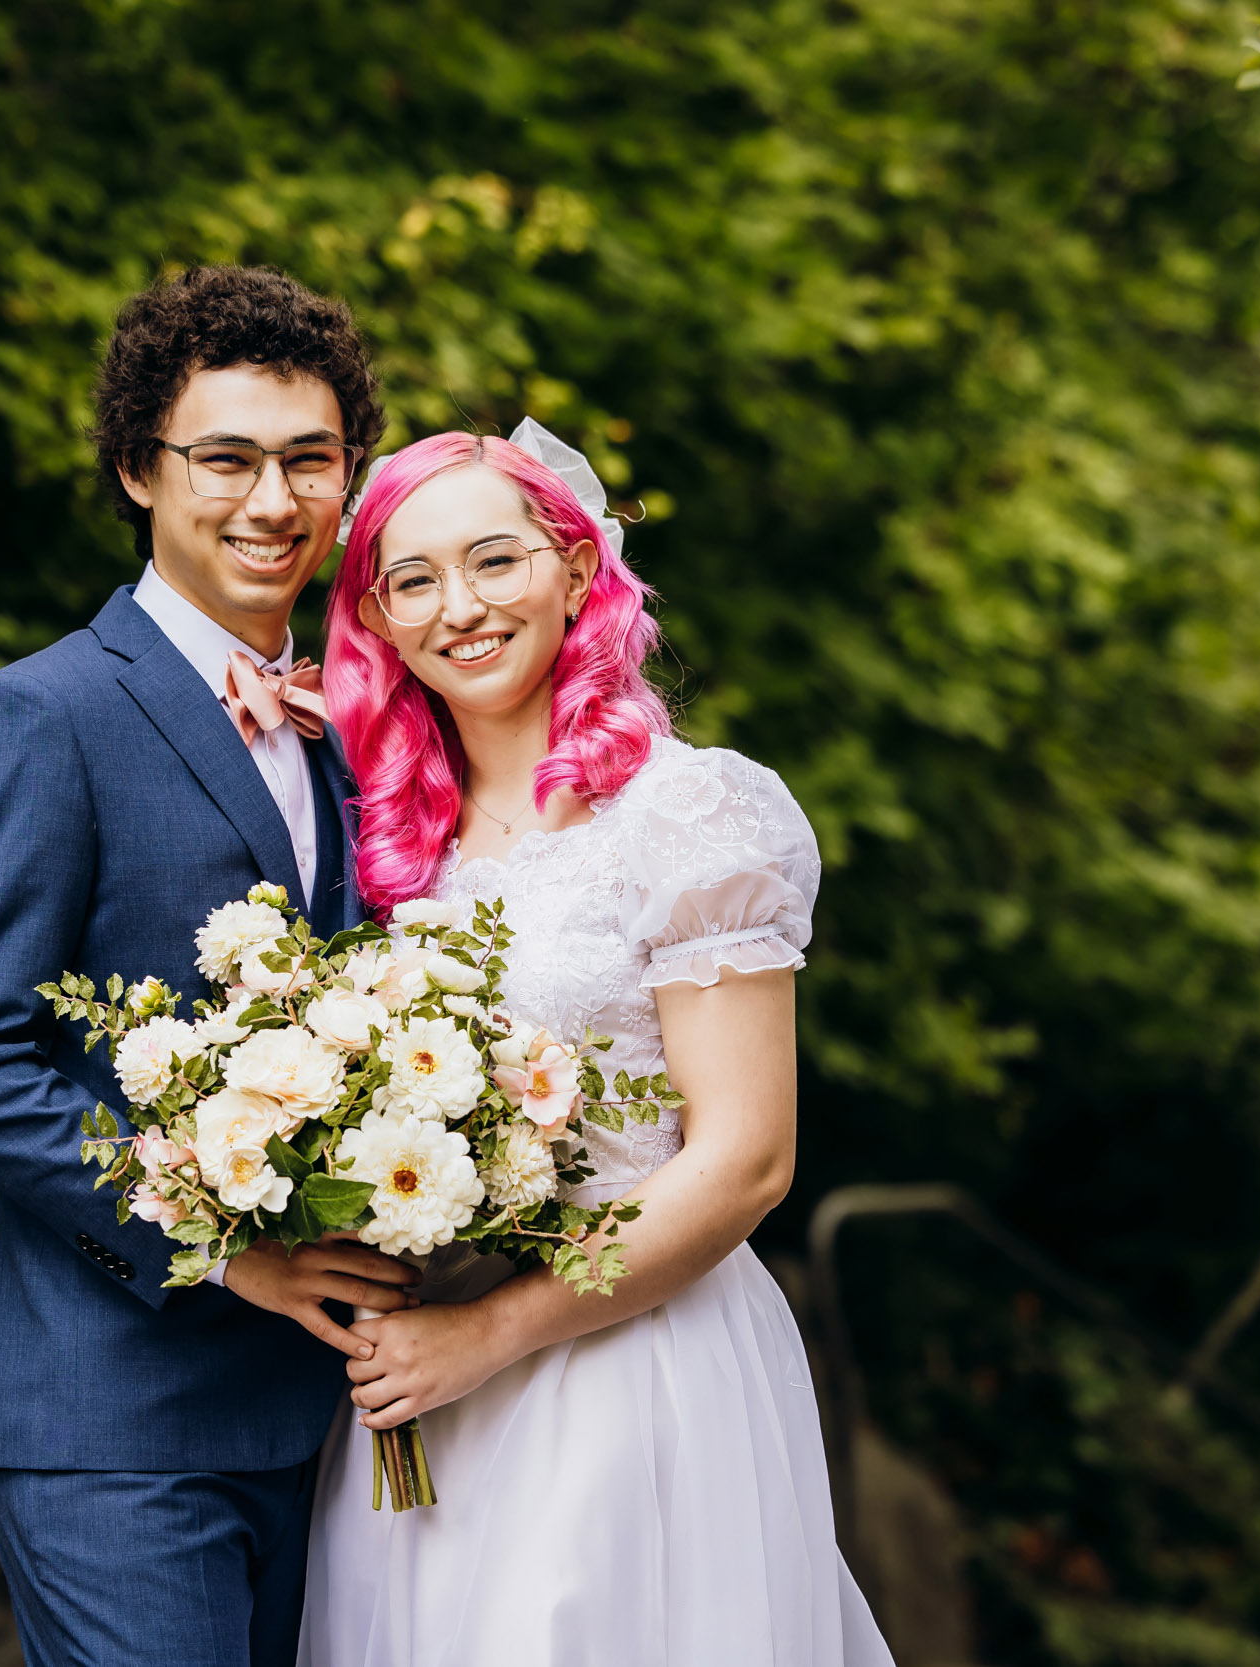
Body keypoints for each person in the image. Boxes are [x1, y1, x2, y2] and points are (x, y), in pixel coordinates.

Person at [297, 424, 894, 1665]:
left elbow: (745, 1161)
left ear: (576, 573)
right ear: (383, 625)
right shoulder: (403, 853)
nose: (459, 606)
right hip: (421, 1397)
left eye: (495, 560)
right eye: (413, 580)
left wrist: (491, 1330)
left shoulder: (688, 812)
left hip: (626, 1371)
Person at [0, 265, 423, 1667]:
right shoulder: (39, 716)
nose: (273, 501)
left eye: (311, 460)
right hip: (116, 1424)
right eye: (227, 459)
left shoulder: (358, 738)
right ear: (142, 467)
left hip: (333, 1426)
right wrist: (224, 1242)